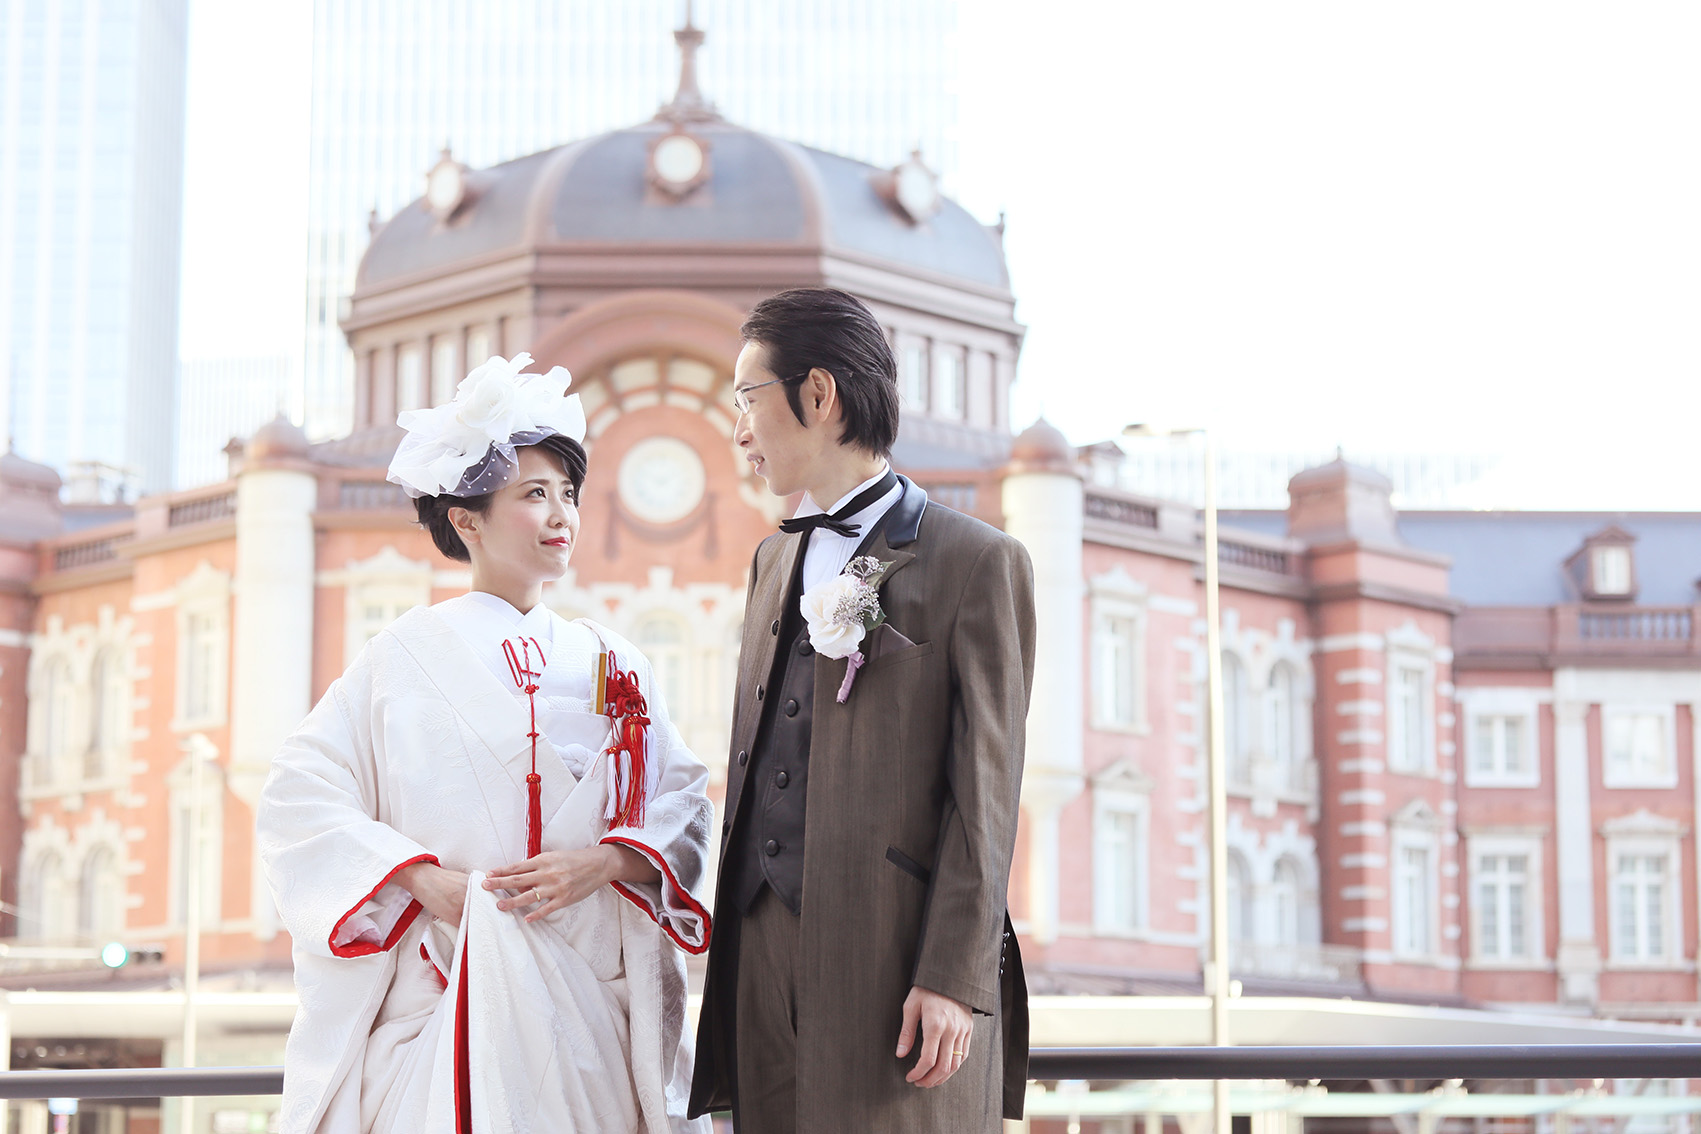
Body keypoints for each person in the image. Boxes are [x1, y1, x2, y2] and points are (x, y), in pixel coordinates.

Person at [258, 354, 714, 1134]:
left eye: (567, 494)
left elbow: (683, 801)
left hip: (597, 1003)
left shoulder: (613, 656)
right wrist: (420, 881)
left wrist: (605, 862)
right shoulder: (400, 658)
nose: (561, 514)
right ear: (465, 519)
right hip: (451, 984)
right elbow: (297, 796)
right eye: (534, 495)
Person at [688, 289, 1036, 1132]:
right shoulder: (772, 561)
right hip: (758, 946)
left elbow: (985, 794)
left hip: (894, 958)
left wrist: (953, 974)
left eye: (746, 399)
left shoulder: (975, 561)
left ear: (817, 395)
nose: (737, 430)